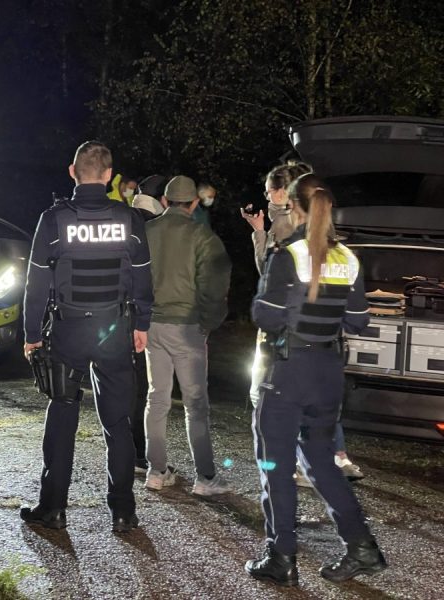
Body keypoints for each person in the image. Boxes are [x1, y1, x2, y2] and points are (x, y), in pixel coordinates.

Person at [246, 173, 386, 586]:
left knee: (275, 464)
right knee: (323, 463)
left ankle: (281, 557)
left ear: (295, 207)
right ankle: (363, 549)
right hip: (327, 373)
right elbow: (358, 321)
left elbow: (265, 316)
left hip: (288, 373)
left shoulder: (288, 255)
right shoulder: (349, 258)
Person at [21, 141, 153, 533]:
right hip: (115, 331)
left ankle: (54, 508)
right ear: (110, 176)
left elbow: (36, 282)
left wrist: (31, 334)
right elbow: (144, 278)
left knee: (63, 412)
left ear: (72, 171)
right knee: (118, 422)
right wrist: (142, 325)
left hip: (69, 330)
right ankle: (123, 511)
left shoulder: (54, 219)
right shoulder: (130, 219)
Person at [243, 162, 364, 484]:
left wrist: (258, 234)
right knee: (318, 398)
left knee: (266, 394)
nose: (266, 196)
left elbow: (268, 276)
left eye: (269, 191)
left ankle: (287, 466)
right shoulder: (334, 240)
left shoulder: (284, 229)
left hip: (290, 335)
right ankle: (335, 458)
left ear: (284, 194)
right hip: (326, 340)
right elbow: (357, 318)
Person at [143, 175, 232, 495]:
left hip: (153, 326)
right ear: (193, 203)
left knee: (157, 398)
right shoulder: (203, 236)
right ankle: (205, 478)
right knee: (195, 404)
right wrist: (208, 323)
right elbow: (215, 287)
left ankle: (156, 471)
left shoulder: (146, 232)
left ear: (165, 202)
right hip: (188, 328)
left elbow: (133, 279)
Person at [130, 174, 167, 475]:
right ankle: (138, 454)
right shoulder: (154, 226)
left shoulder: (126, 217)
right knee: (142, 388)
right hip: (141, 315)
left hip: (114, 312)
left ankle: (125, 451)